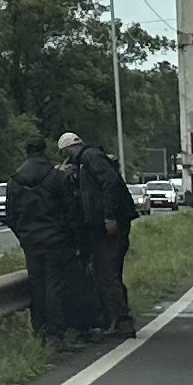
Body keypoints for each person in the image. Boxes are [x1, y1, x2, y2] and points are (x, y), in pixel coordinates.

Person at [9, 137, 100, 340]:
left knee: (37, 286)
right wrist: (75, 239)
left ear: (26, 152)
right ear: (45, 151)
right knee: (55, 286)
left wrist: (23, 236)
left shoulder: (14, 182)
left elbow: (11, 216)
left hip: (31, 243)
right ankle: (56, 332)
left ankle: (39, 330)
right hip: (56, 241)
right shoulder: (55, 177)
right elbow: (71, 210)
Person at [61, 131, 141, 337]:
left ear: (67, 149)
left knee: (105, 272)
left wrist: (109, 216)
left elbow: (110, 183)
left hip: (109, 225)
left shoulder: (90, 158)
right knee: (109, 271)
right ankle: (117, 318)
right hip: (104, 225)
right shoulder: (86, 161)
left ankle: (122, 321)